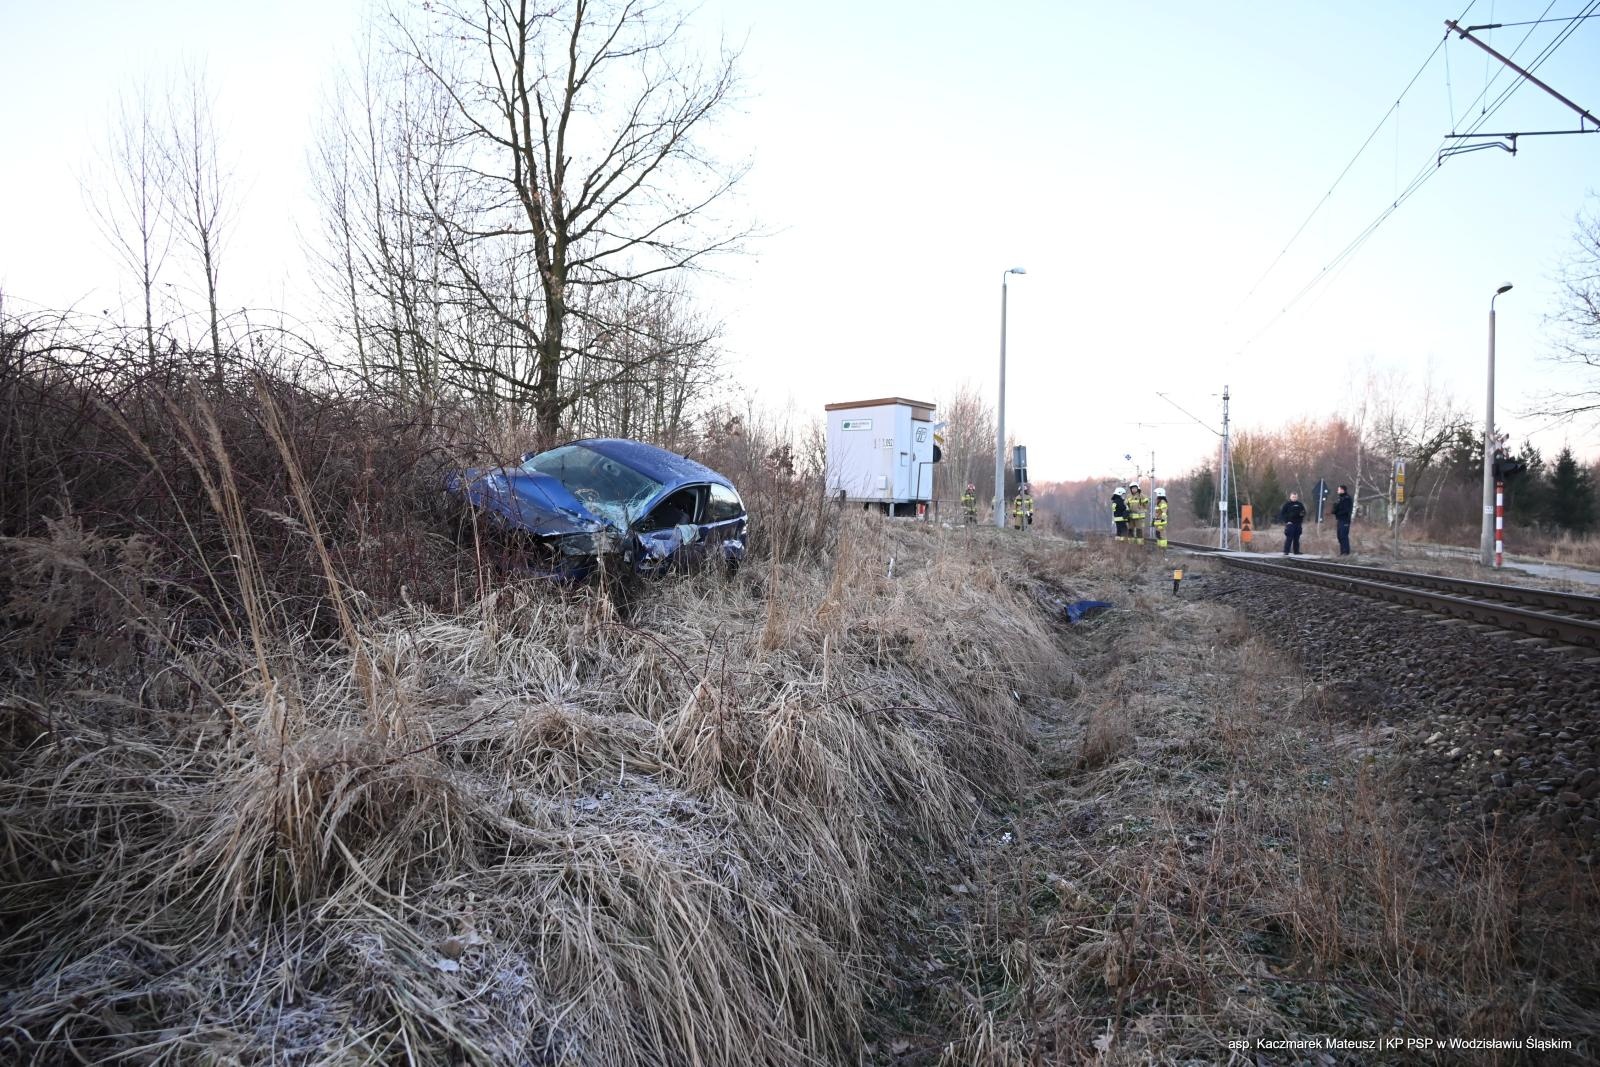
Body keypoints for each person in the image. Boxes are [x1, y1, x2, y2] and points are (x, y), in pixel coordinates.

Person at [1331, 484, 1353, 555]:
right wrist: (1334, 510)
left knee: (1344, 536)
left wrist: (1338, 513)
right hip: (1340, 520)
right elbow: (1336, 508)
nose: (1337, 491)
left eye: (1339, 489)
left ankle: (1346, 552)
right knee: (1339, 536)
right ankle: (1342, 552)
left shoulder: (1347, 498)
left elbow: (1346, 510)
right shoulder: (1340, 498)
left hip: (1345, 520)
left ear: (1342, 490)